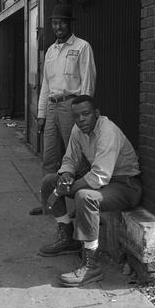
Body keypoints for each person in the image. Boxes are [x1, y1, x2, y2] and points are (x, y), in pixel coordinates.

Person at [38, 95, 142, 287]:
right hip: (104, 182)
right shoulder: (78, 130)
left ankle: (91, 265)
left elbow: (99, 176)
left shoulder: (107, 131)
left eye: (85, 114)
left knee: (85, 196)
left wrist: (61, 191)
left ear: (96, 113)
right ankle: (68, 238)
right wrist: (66, 175)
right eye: (76, 116)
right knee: (49, 182)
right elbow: (70, 159)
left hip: (125, 185)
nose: (81, 120)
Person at [29, 4, 96, 215]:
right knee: (49, 157)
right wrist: (41, 114)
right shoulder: (50, 51)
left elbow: (88, 81)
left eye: (62, 22)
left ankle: (81, 204)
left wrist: (84, 113)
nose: (58, 26)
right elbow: (46, 85)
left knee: (77, 156)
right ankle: (49, 203)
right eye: (55, 23)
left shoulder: (82, 47)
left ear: (69, 24)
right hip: (51, 107)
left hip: (72, 105)